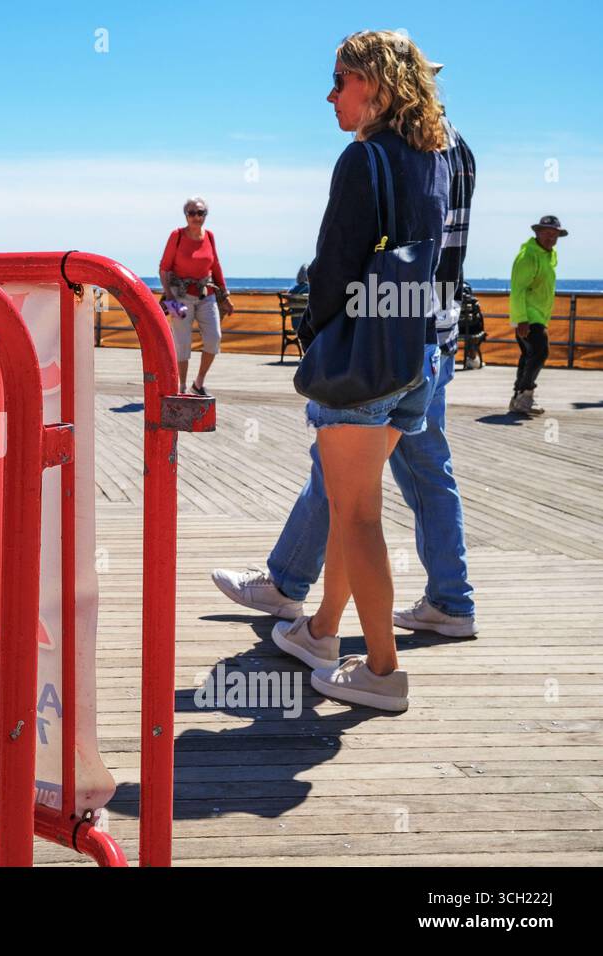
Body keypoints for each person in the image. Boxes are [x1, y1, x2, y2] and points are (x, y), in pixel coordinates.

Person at [221, 31, 450, 714]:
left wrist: (316, 331)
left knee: (357, 516)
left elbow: (336, 263)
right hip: (415, 355)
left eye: (340, 79)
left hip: (364, 361)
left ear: (374, 84)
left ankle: (382, 670)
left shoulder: (363, 159)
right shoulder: (434, 155)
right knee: (357, 508)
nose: (330, 94)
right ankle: (322, 633)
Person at [158, 197, 234, 395]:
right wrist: (169, 297)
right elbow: (164, 268)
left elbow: (215, 266)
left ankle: (198, 383)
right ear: (186, 215)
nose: (196, 217)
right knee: (182, 343)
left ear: (205, 216)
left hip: (205, 295)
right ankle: (182, 387)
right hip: (179, 296)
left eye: (200, 213)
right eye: (192, 213)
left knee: (214, 337)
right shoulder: (177, 235)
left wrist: (224, 296)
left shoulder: (209, 236)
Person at [508, 215, 567, 416]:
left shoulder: (550, 255)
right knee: (541, 352)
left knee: (529, 355)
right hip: (528, 315)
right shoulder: (528, 256)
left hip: (539, 315)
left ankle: (519, 398)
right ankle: (526, 393)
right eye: (546, 233)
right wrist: (521, 319)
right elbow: (518, 289)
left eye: (555, 234)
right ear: (537, 233)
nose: (551, 237)